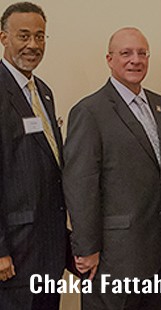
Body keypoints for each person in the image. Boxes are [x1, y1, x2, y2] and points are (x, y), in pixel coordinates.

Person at [63, 27, 161, 309]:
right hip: (113, 258)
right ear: (109, 59)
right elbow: (81, 185)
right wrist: (86, 249)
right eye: (126, 53)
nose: (135, 60)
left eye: (142, 53)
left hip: (160, 254)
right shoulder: (90, 111)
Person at [0, 2, 66, 309]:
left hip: (47, 248)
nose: (33, 45)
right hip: (13, 252)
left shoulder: (44, 92)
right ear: (3, 38)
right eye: (23, 36)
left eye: (40, 37)